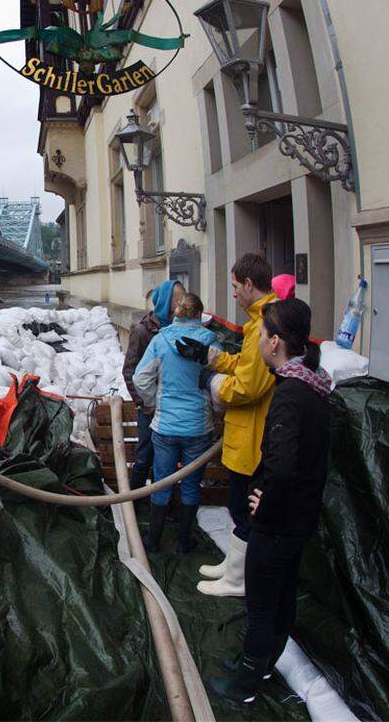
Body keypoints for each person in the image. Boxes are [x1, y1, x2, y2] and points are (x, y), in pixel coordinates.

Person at [210, 297, 332, 703]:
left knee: (262, 604)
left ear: (276, 342)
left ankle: (246, 682)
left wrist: (265, 502)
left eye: (262, 336)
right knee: (281, 599)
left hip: (278, 524)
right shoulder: (314, 386)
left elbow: (280, 465)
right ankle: (262, 666)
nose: (259, 342)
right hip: (300, 519)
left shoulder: (289, 395)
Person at [176, 253, 278, 597]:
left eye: (235, 286)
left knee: (244, 508)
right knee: (239, 507)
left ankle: (239, 579)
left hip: (253, 438)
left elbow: (249, 385)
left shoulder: (267, 324)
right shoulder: (258, 323)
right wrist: (210, 357)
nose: (233, 293)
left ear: (249, 285)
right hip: (244, 434)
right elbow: (245, 363)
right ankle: (234, 567)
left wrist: (212, 382)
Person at [132, 291, 216, 553]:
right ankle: (183, 543)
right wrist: (215, 409)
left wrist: (153, 404)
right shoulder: (212, 343)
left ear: (177, 313)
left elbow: (141, 378)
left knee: (162, 481)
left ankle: (153, 541)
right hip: (198, 427)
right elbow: (220, 386)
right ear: (200, 315)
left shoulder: (160, 340)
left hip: (166, 425)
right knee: (191, 484)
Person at [121, 279, 184, 495]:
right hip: (149, 409)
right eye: (177, 300)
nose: (180, 304)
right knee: (144, 455)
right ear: (165, 302)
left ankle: (165, 504)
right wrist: (144, 403)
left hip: (171, 407)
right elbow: (129, 371)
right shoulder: (142, 332)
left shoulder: (179, 329)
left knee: (168, 459)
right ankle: (137, 502)